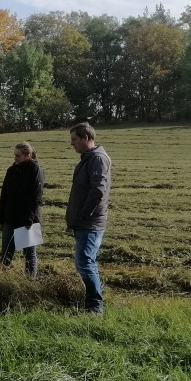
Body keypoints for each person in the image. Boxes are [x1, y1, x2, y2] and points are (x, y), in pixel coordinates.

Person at [65, 122, 112, 314]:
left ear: (86, 138)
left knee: (85, 262)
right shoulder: (88, 159)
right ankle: (92, 304)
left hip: (90, 222)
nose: (72, 144)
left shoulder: (97, 159)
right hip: (83, 221)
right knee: (85, 262)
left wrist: (82, 215)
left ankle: (95, 307)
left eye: (74, 140)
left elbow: (97, 191)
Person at [0, 141, 44, 278]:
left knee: (29, 254)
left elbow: (36, 198)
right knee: (5, 253)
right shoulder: (11, 171)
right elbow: (4, 195)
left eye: (18, 156)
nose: (15, 158)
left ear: (27, 156)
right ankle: (1, 279)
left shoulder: (36, 171)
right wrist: (0, 219)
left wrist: (29, 220)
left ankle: (30, 281)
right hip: (10, 218)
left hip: (27, 220)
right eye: (14, 155)